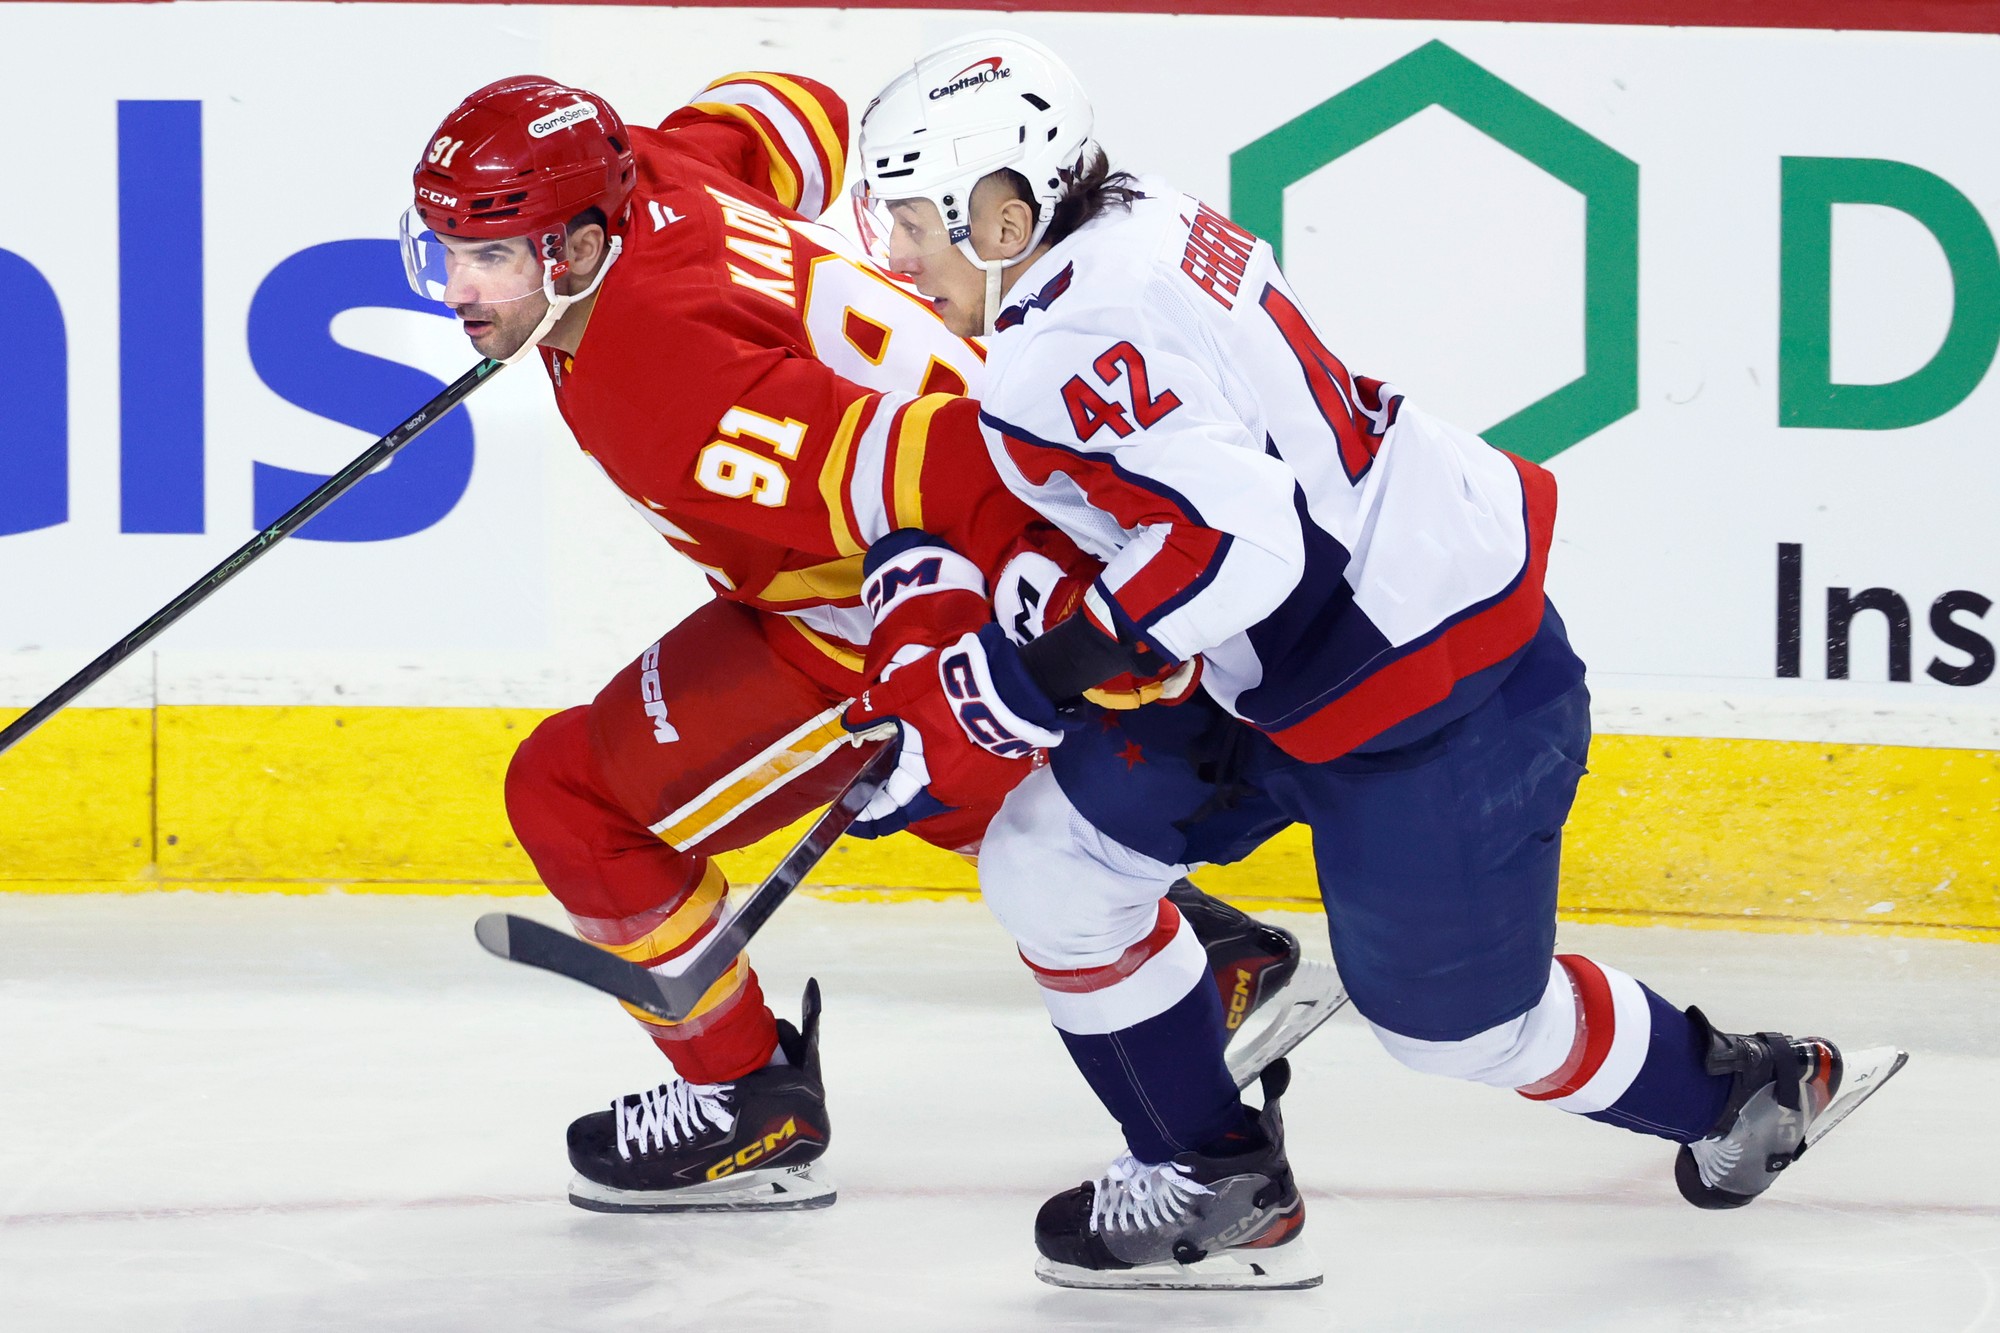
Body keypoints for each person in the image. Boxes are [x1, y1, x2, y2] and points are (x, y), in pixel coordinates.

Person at [843, 31, 1908, 1289]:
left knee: (1460, 1035)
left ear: (1003, 208)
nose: (893, 253)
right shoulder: (1129, 215)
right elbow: (1193, 501)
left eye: (913, 216)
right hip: (1298, 654)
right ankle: (1212, 1170)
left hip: (1424, 691)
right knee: (1050, 859)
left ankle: (1735, 1087)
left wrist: (1023, 686)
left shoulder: (1056, 348)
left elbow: (1239, 544)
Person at [400, 72, 1310, 1215]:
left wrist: (936, 647)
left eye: (490, 259)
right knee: (949, 792)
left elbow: (941, 468)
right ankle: (1207, 963)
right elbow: (794, 109)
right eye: (443, 252)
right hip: (890, 556)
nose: (456, 291)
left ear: (580, 246)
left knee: (572, 797)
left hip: (900, 579)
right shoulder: (650, 163)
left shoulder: (661, 388)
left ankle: (746, 1100)